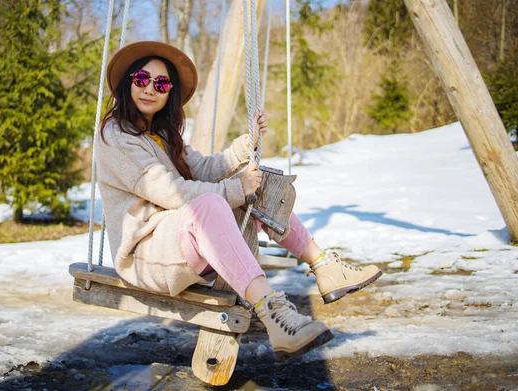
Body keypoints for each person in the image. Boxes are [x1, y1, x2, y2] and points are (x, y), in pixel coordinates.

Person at [96, 41, 382, 361]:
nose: (150, 88)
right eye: (141, 79)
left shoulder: (162, 135)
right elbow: (170, 191)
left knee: (260, 186)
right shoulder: (115, 136)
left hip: (176, 242)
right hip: (145, 256)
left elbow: (202, 169)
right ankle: (273, 312)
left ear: (169, 93)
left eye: (160, 83)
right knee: (214, 202)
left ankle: (324, 265)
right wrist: (235, 189)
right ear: (127, 83)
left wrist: (247, 147)